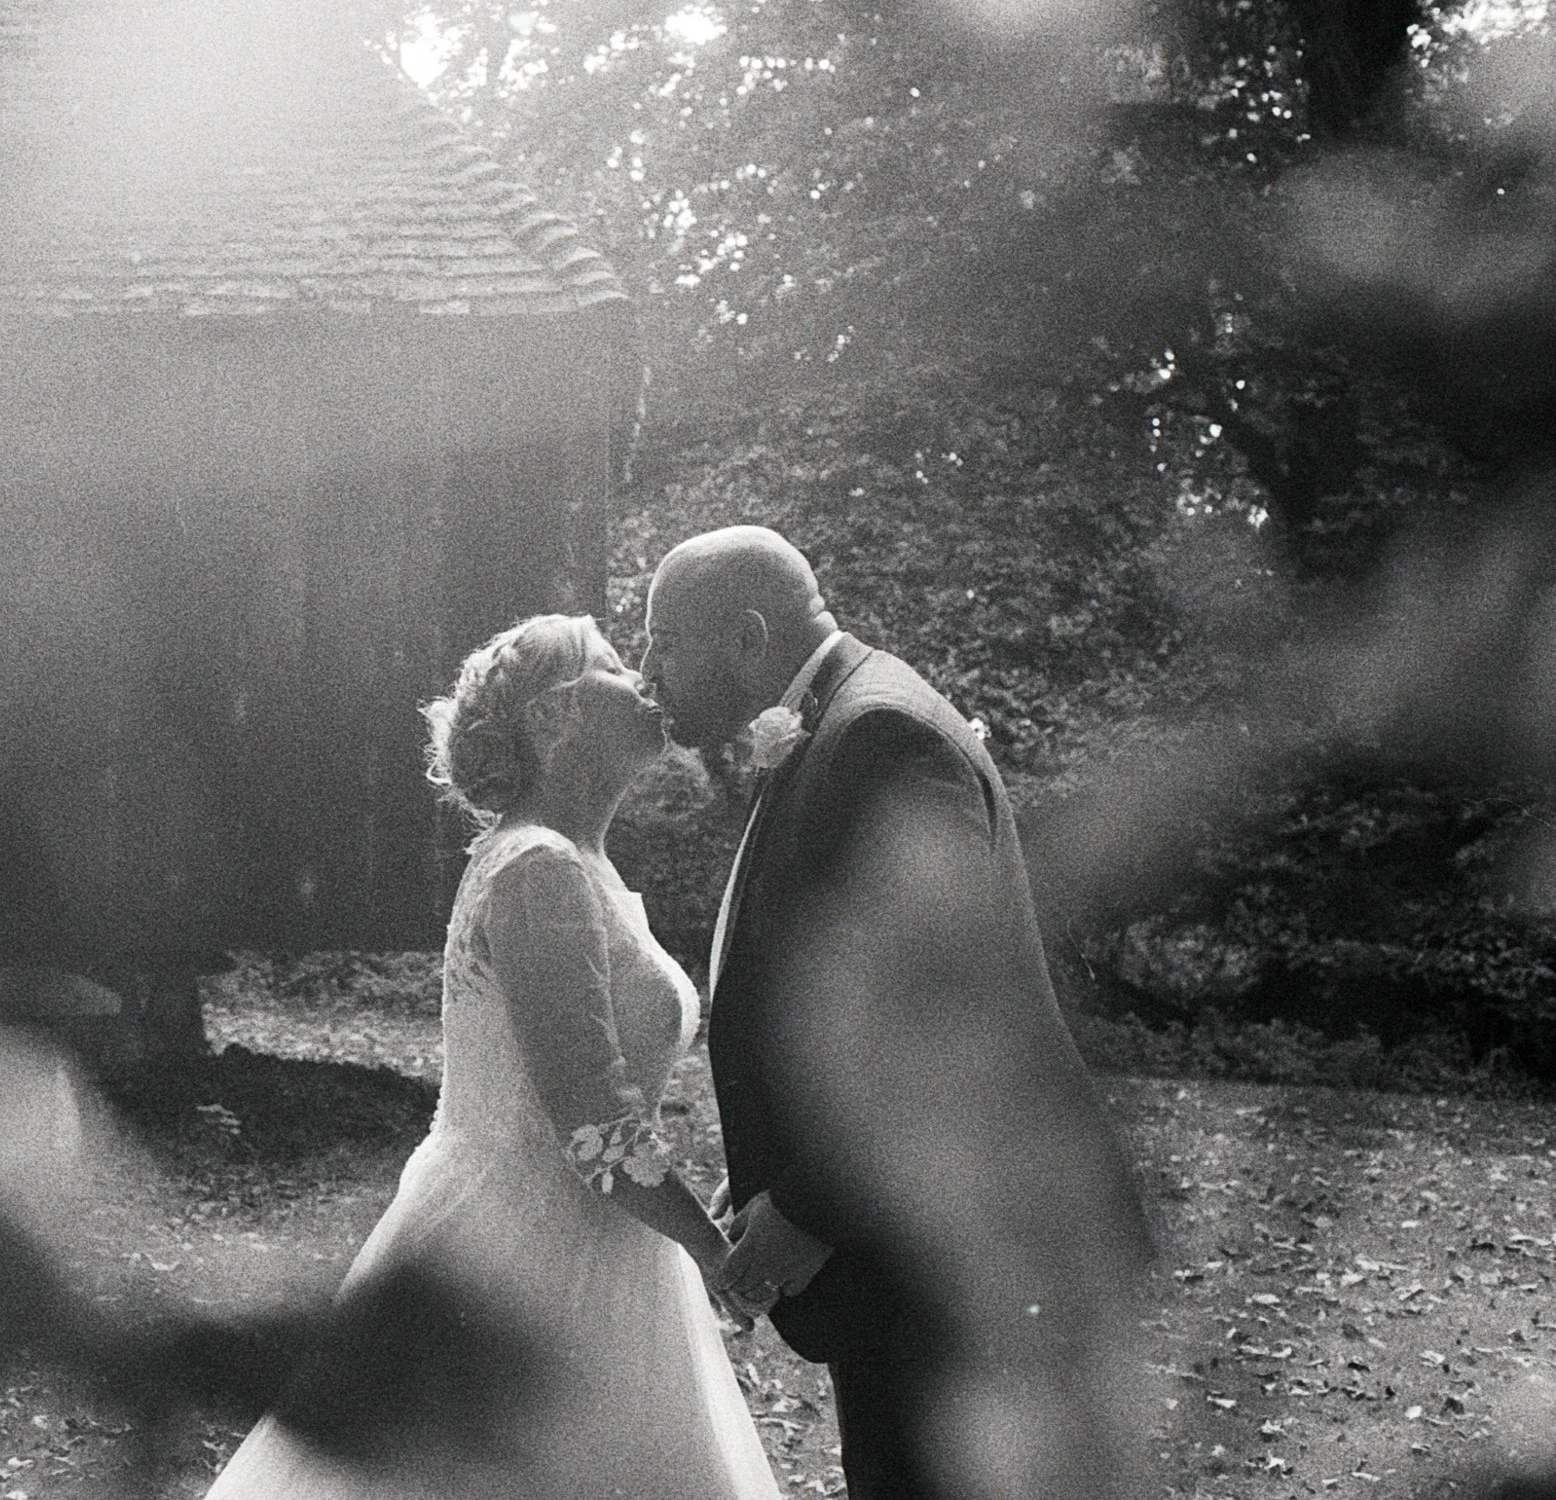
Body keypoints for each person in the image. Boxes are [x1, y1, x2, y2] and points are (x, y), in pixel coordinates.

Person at [202, 614, 782, 1500]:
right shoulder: (539, 868)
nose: (646, 682)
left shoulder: (572, 860)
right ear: (554, 720)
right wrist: (715, 1255)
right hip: (521, 1256)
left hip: (586, 1238)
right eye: (617, 667)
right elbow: (594, 1130)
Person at [640, 526, 1151, 1500]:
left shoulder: (880, 737)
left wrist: (803, 1208)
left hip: (952, 1254)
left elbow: (950, 1038)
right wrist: (770, 1179)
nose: (646, 667)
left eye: (664, 639)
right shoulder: (836, 723)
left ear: (747, 637)